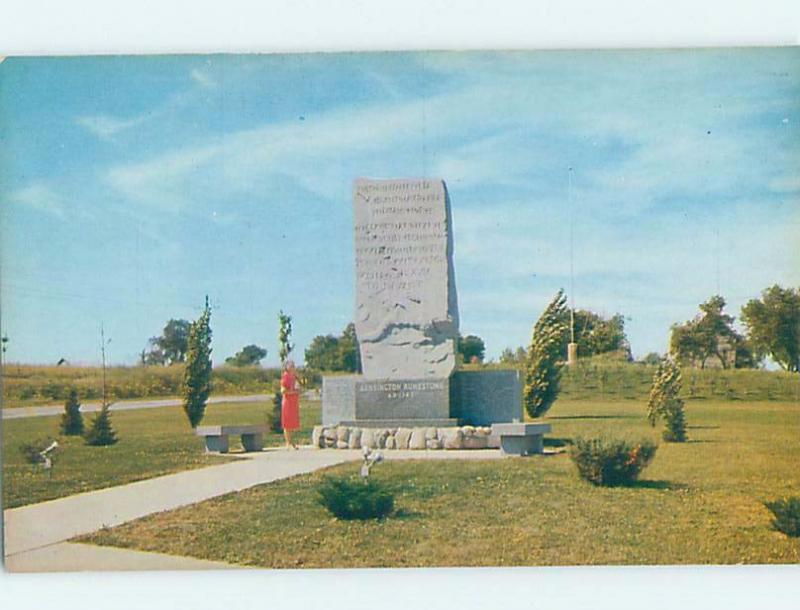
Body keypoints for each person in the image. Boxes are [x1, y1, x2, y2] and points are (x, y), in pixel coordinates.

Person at [280, 359, 301, 449]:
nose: (293, 367)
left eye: (293, 365)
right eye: (291, 366)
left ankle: (292, 442)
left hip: (294, 402)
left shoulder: (294, 377)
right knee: (287, 423)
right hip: (288, 402)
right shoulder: (285, 377)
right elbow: (283, 390)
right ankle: (288, 443)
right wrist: (293, 392)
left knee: (293, 423)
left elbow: (298, 387)